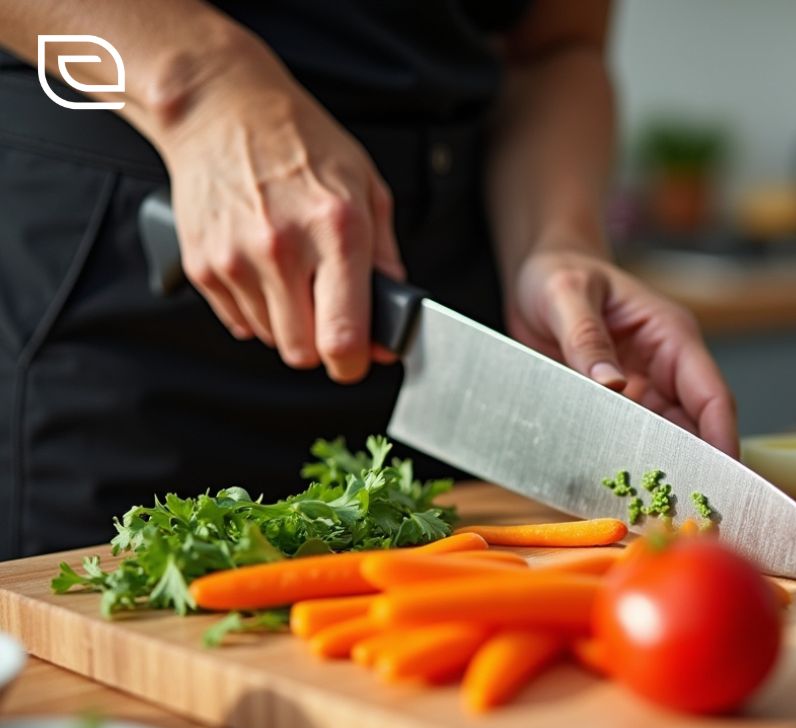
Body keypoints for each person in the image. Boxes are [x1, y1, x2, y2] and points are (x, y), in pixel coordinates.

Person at [0, 0, 737, 560]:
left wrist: (555, 238)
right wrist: (202, 82)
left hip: (444, 310)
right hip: (126, 311)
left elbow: (557, 46)